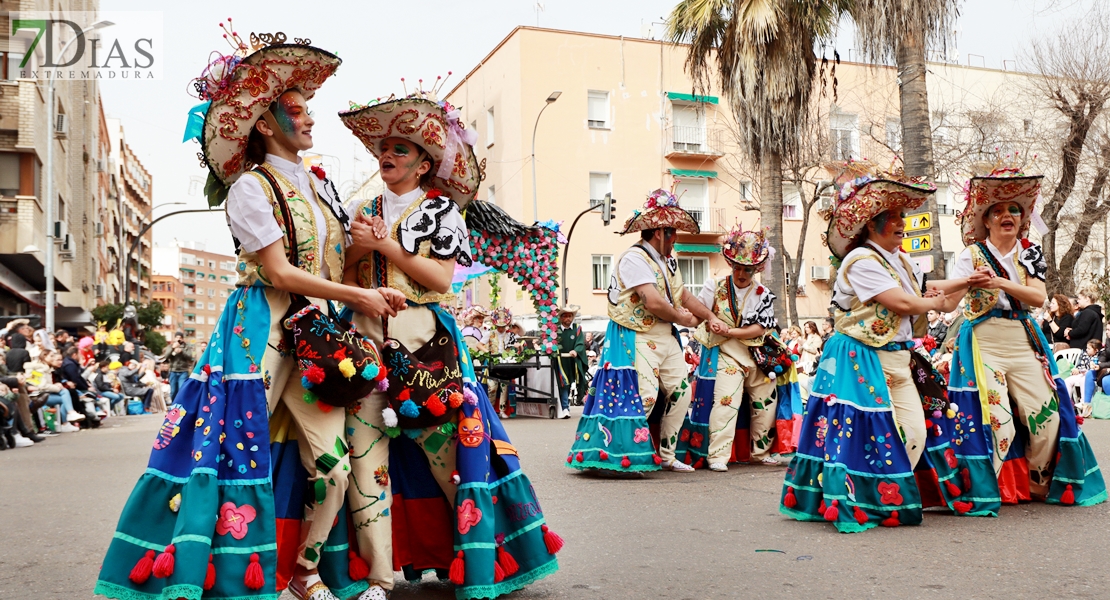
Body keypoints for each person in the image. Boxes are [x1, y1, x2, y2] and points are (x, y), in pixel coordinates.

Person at [96, 34, 401, 600]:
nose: (309, 119)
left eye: (308, 110)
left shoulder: (320, 186)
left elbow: (333, 261)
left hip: (318, 339)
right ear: (264, 123)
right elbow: (280, 273)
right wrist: (358, 297)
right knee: (228, 453)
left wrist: (369, 248)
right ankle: (192, 571)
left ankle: (305, 571)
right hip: (259, 329)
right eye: (297, 111)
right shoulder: (249, 189)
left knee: (333, 467)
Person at [340, 88, 561, 597]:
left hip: (426, 346)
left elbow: (439, 281)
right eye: (384, 149)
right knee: (364, 461)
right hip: (363, 347)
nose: (388, 156)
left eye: (402, 150)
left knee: (448, 461)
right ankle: (377, 576)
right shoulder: (357, 208)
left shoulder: (442, 214)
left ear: (423, 165)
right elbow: (343, 274)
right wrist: (357, 248)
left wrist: (385, 245)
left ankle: (480, 556)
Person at [781, 167, 952, 532]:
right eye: (894, 218)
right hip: (859, 354)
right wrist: (935, 302)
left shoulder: (902, 261)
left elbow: (930, 291)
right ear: (872, 224)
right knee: (852, 429)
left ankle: (879, 493)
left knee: (913, 430)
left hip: (898, 355)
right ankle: (854, 498)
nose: (903, 224)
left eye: (903, 217)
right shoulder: (860, 260)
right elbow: (903, 304)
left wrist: (968, 282)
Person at [943, 166, 1105, 513]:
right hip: (982, 341)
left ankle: (1035, 481)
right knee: (996, 417)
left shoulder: (1031, 253)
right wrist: (926, 296)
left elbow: (1036, 298)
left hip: (1022, 338)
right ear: (985, 221)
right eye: (998, 211)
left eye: (1014, 210)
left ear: (1022, 218)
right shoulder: (969, 256)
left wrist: (998, 283)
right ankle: (999, 486)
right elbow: (949, 303)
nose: (1007, 215)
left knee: (1047, 418)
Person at [567, 188, 715, 474]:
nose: (676, 239)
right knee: (645, 395)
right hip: (637, 335)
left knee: (683, 392)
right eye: (673, 233)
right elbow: (652, 300)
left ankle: (668, 455)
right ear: (659, 232)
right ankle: (621, 455)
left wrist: (707, 316)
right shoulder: (634, 258)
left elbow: (682, 294)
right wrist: (684, 320)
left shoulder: (668, 261)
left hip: (664, 336)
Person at [675, 224, 797, 471]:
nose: (742, 274)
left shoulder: (763, 294)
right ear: (731, 265)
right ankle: (717, 455)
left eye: (748, 270)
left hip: (759, 357)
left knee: (765, 404)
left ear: (757, 269)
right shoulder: (714, 286)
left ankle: (760, 452)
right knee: (725, 402)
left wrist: (729, 330)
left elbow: (760, 329)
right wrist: (705, 318)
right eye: (738, 268)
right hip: (725, 354)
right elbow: (700, 312)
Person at [556, 305, 587, 419]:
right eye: (566, 316)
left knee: (569, 384)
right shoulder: (555, 330)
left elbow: (580, 343)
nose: (568, 318)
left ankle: (566, 405)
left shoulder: (577, 328)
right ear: (561, 318)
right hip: (559, 361)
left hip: (573, 361)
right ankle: (565, 408)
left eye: (570, 316)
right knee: (563, 383)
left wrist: (576, 350)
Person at [161, 331, 194, 401]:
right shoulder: (171, 346)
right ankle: (173, 405)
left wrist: (182, 352)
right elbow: (166, 356)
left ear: (182, 339)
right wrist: (173, 348)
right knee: (173, 391)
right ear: (174, 338)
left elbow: (190, 357)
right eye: (177, 337)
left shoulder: (186, 347)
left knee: (181, 389)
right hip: (173, 371)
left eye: (180, 338)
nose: (178, 339)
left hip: (183, 371)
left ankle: (180, 406)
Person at [1067, 339, 1101, 407]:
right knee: (1068, 381)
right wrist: (1076, 369)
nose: (1087, 349)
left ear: (1096, 350)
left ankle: (1083, 403)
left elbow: (1096, 369)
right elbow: (1079, 366)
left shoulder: (1100, 357)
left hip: (1091, 376)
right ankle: (1066, 403)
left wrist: (1086, 372)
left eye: (1089, 348)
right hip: (1081, 374)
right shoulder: (1084, 354)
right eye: (1086, 348)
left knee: (1084, 380)